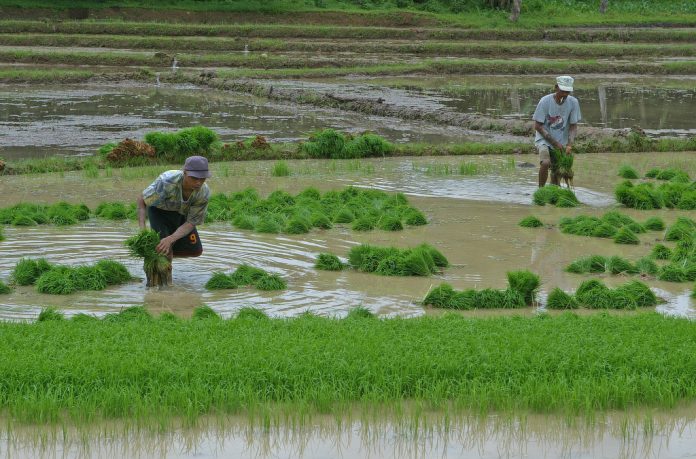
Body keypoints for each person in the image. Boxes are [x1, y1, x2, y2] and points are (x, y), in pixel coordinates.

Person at [136, 156, 211, 264]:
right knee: (165, 252)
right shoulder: (167, 182)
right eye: (194, 178)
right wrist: (142, 229)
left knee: (196, 251)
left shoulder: (203, 193)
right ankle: (165, 277)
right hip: (159, 212)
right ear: (185, 173)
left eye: (202, 178)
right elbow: (142, 200)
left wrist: (170, 239)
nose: (199, 183)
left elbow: (192, 222)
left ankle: (161, 253)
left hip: (181, 212)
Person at [532, 75, 582, 187]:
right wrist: (555, 143)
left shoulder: (573, 102)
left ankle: (553, 191)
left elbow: (573, 126)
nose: (564, 95)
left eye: (567, 92)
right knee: (545, 163)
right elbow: (538, 126)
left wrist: (569, 144)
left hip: (562, 142)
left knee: (556, 172)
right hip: (544, 139)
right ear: (556, 87)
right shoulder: (545, 101)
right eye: (562, 91)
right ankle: (541, 190)